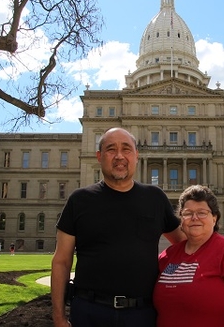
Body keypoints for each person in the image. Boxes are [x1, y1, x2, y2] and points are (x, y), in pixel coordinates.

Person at [51, 127, 186, 327]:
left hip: (141, 314)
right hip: (89, 311)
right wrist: (59, 317)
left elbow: (184, 245)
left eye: (126, 149)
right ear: (99, 156)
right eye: (111, 149)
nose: (119, 156)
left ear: (136, 155)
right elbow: (61, 261)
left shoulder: (155, 198)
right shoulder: (79, 200)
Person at [153, 185, 224, 327]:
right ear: (181, 219)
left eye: (202, 212)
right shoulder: (168, 256)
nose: (194, 218)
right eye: (187, 213)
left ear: (214, 218)